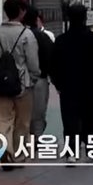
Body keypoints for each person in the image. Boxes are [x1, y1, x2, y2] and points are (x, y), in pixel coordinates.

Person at [50, 4, 93, 164]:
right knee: (90, 118)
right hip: (89, 86)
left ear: (68, 18)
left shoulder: (61, 40)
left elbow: (54, 65)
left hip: (68, 87)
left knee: (70, 119)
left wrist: (57, 84)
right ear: (85, 18)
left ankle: (71, 152)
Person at [0, 0, 40, 170]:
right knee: (22, 122)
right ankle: (18, 156)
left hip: (2, 83)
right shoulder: (26, 34)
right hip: (22, 83)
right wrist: (34, 77)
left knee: (3, 119)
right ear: (21, 11)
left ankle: (4, 150)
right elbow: (33, 62)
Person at [23, 7, 56, 137]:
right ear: (37, 19)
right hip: (40, 80)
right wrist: (56, 81)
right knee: (38, 114)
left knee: (22, 114)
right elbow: (51, 60)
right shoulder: (43, 37)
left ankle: (23, 139)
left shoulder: (20, 36)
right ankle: (36, 138)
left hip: (20, 80)